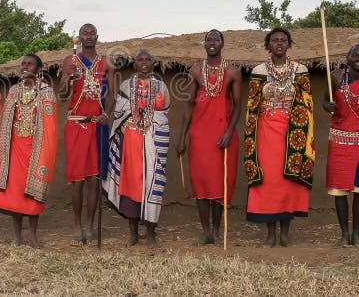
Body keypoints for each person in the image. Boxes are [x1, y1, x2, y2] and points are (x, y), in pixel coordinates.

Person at [243, 28, 314, 247]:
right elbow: (252, 105)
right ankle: (270, 234)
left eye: (283, 40)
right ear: (268, 44)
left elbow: (307, 100)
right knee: (269, 182)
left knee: (288, 183)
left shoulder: (300, 69)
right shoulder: (259, 70)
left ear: (289, 44)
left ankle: (285, 233)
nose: (279, 43)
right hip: (265, 132)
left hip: (293, 132)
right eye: (275, 40)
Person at [177, 29, 242, 245]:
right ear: (204, 44)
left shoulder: (232, 72)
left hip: (223, 135)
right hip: (199, 136)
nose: (212, 42)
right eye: (209, 39)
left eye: (216, 39)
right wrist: (181, 137)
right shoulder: (196, 71)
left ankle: (216, 229)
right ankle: (206, 232)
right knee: (202, 184)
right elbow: (188, 106)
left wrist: (229, 132)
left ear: (222, 44)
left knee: (220, 185)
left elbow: (238, 107)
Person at [103, 50, 170, 246]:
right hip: (130, 142)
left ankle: (150, 233)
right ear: (134, 65)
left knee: (152, 184)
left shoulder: (161, 87)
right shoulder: (126, 86)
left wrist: (150, 123)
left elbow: (164, 114)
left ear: (153, 63)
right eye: (140, 60)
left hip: (154, 140)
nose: (144, 63)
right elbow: (119, 112)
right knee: (131, 185)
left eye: (148, 60)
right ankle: (132, 232)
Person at [58, 23, 116, 246]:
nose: (89, 36)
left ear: (97, 37)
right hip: (75, 125)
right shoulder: (70, 62)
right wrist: (67, 79)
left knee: (94, 180)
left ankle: (90, 226)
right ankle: (77, 225)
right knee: (78, 181)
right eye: (85, 33)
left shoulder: (107, 63)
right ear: (79, 37)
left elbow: (111, 96)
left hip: (96, 125)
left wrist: (107, 114)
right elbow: (63, 96)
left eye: (92, 33)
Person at [0, 54, 58, 248]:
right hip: (15, 149)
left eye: (29, 64)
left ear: (38, 70)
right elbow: (5, 120)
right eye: (23, 64)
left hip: (36, 149)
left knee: (31, 196)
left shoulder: (46, 92)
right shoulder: (14, 90)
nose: (25, 67)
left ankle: (32, 236)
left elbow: (50, 126)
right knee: (14, 195)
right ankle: (17, 237)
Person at [322, 44, 359, 247]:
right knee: (339, 192)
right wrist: (327, 106)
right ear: (347, 58)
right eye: (355, 55)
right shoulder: (335, 77)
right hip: (339, 140)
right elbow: (325, 101)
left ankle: (356, 233)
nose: (358, 58)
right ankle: (343, 233)